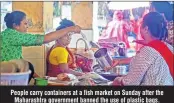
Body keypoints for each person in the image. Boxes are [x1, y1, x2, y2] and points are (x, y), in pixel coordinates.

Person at [1, 11, 81, 82]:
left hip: (7, 75)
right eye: (25, 23)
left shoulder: (6, 35)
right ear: (16, 25)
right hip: (7, 77)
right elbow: (44, 39)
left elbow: (22, 62)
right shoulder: (13, 35)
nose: (27, 26)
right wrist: (71, 28)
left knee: (27, 65)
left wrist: (38, 79)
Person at [106, 12, 173, 85]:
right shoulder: (168, 47)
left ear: (146, 29)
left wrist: (118, 80)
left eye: (141, 25)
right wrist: (120, 61)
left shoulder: (147, 51)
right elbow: (146, 60)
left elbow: (130, 83)